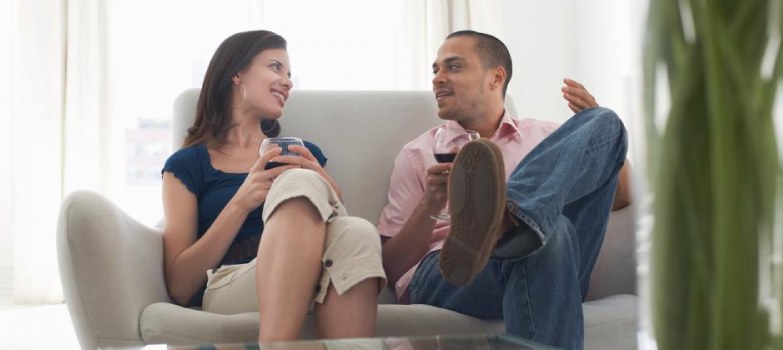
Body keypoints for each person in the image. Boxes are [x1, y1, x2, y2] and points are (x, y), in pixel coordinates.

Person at [378, 30, 631, 350]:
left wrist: (594, 124)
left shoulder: (549, 139)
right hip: (451, 271)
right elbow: (391, 269)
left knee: (605, 121)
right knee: (550, 231)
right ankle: (515, 224)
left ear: (496, 77)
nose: (437, 78)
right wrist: (432, 202)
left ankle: (508, 220)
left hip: (555, 261)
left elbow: (621, 197)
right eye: (435, 70)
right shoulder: (418, 154)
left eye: (453, 67)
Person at [160, 30, 386, 342]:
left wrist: (330, 190)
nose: (288, 82)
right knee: (302, 183)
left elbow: (341, 242)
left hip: (316, 273)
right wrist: (242, 202)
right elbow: (181, 286)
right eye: (276, 67)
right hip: (233, 282)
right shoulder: (187, 164)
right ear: (237, 73)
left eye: (290, 74)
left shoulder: (304, 154)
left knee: (358, 231)